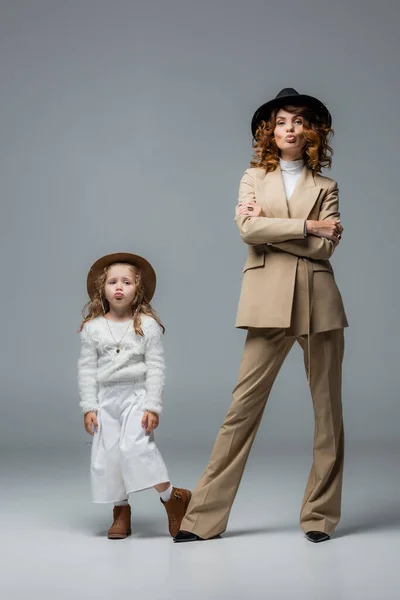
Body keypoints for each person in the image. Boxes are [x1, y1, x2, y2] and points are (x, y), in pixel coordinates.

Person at [174, 88, 348, 544]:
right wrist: (308, 226)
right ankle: (203, 518)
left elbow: (324, 249)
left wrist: (273, 231)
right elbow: (249, 231)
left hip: (320, 302)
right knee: (240, 411)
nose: (289, 128)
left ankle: (319, 517)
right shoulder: (253, 177)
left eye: (299, 121)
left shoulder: (327, 187)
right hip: (268, 302)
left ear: (313, 131)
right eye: (281, 121)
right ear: (268, 131)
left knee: (328, 415)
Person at [78, 252, 191, 539]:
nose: (119, 287)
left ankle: (172, 500)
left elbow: (155, 367)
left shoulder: (147, 325)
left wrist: (152, 406)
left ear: (137, 288)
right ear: (102, 288)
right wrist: (89, 405)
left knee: (136, 448)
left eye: (126, 282)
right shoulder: (93, 329)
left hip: (136, 395)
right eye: (113, 282)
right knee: (110, 454)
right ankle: (121, 510)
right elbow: (87, 370)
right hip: (106, 399)